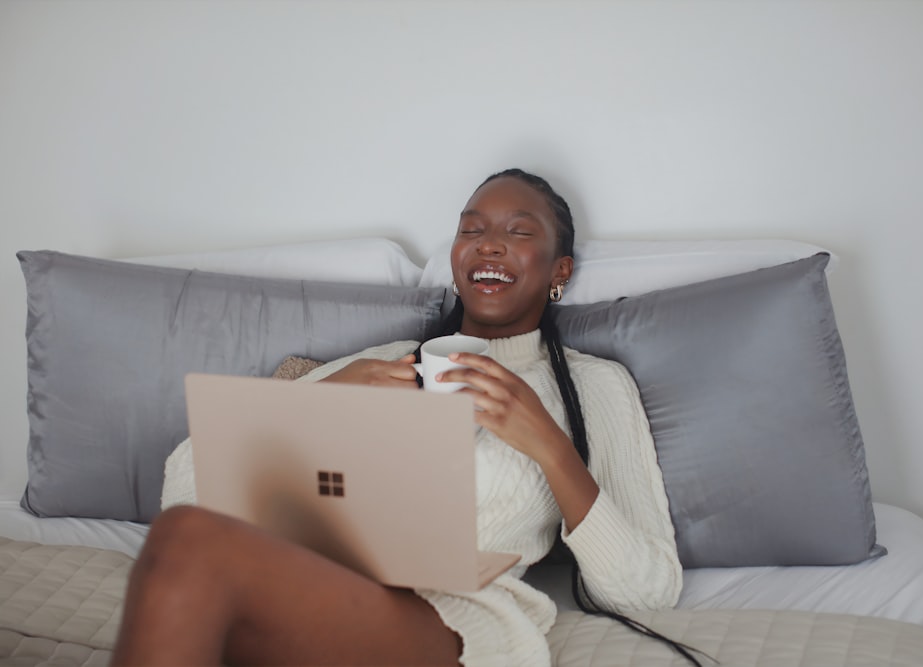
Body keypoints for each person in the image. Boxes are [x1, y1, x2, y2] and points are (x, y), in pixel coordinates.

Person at [111, 169, 693, 666]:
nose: (488, 244)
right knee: (185, 538)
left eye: (518, 232)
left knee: (190, 547)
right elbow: (186, 487)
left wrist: (548, 444)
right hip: (313, 587)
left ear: (559, 270)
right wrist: (328, 400)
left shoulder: (593, 387)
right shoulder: (380, 365)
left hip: (447, 621)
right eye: (471, 229)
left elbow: (649, 592)